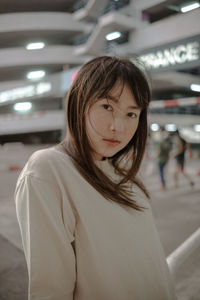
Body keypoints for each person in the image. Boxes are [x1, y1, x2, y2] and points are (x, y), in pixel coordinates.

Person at [15, 56, 176, 300]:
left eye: (131, 114)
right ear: (79, 103)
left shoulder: (124, 175)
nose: (118, 127)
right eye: (107, 107)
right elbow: (51, 291)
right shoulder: (49, 170)